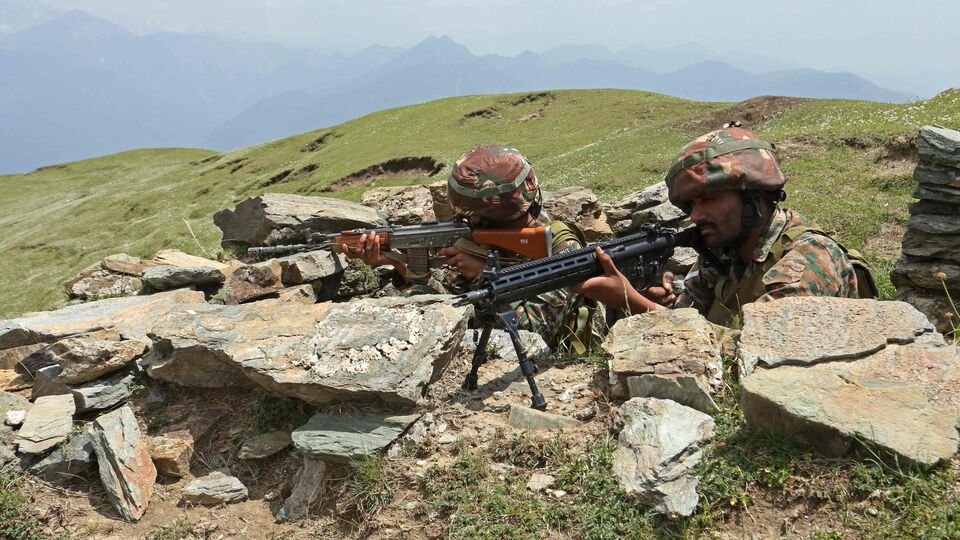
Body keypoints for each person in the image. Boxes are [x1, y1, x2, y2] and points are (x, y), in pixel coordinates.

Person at [573, 127, 871, 328]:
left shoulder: (807, 261)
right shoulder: (724, 255)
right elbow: (688, 320)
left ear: (754, 194)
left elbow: (754, 357)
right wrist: (654, 301)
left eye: (709, 199)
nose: (697, 215)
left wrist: (634, 302)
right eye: (690, 206)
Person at [345, 145, 595, 351]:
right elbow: (451, 304)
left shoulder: (561, 248)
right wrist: (401, 265)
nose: (470, 224)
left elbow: (533, 332)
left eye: (478, 219)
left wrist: (483, 276)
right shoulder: (473, 238)